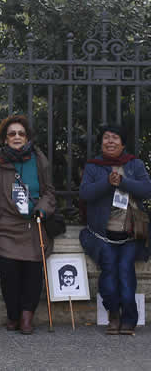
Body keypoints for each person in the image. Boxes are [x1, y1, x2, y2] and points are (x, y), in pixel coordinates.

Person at [0, 114, 56, 334]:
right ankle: (12, 314)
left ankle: (26, 318)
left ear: (27, 137)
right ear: (5, 139)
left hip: (33, 224)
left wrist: (42, 208)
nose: (16, 137)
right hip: (5, 226)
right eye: (11, 133)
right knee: (9, 272)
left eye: (21, 133)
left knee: (33, 272)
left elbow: (49, 191)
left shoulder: (39, 159)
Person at [79, 125, 151, 336]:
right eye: (106, 138)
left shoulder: (134, 164)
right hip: (102, 235)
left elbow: (147, 189)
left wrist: (123, 182)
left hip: (129, 236)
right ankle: (114, 315)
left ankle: (129, 318)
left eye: (115, 138)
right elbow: (85, 194)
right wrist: (107, 182)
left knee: (126, 273)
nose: (110, 141)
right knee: (109, 272)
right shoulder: (93, 166)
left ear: (123, 144)